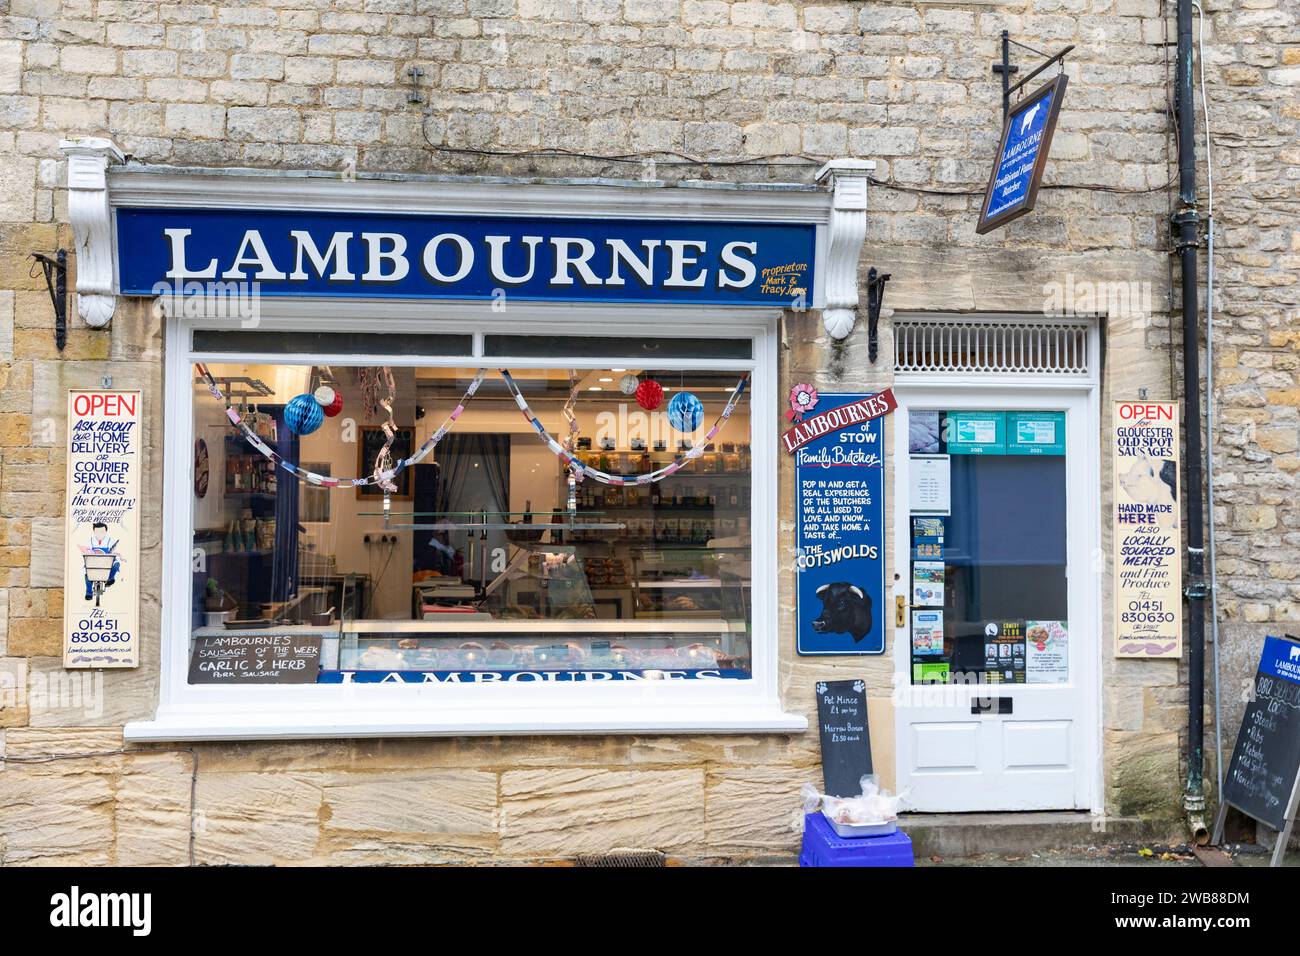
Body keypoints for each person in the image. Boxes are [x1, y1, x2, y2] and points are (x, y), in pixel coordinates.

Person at [84, 521, 120, 601]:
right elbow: (87, 552)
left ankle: (110, 579)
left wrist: (114, 555)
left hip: (107, 562)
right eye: (97, 532)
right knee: (87, 573)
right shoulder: (90, 541)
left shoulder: (110, 541)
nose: (99, 534)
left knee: (116, 564)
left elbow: (114, 552)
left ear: (106, 531)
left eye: (102, 531)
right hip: (94, 562)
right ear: (94, 532)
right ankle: (89, 592)